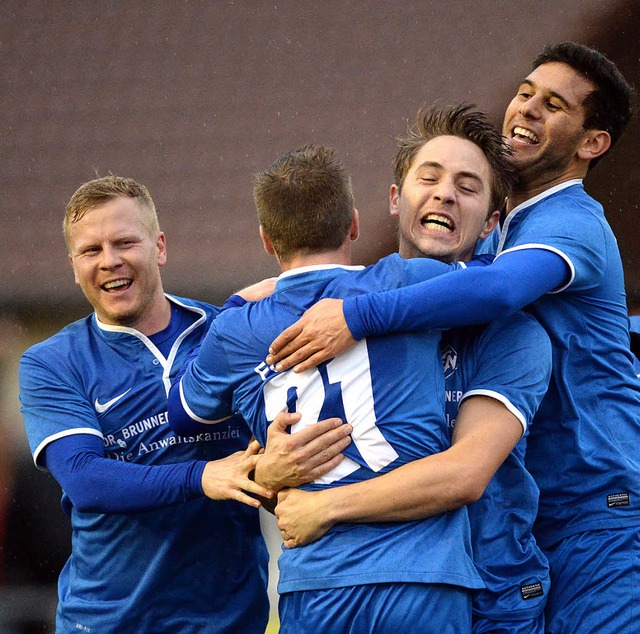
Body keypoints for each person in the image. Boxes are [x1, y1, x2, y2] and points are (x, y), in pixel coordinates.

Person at [266, 42, 640, 633]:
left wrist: (354, 317)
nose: (526, 110)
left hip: (600, 512)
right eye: (524, 93)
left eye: (554, 104)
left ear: (592, 143)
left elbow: (492, 294)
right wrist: (276, 292)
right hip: (531, 521)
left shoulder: (570, 223)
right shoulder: (501, 235)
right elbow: (433, 279)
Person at [168, 145, 491, 633]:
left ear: (266, 242)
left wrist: (236, 305)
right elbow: (501, 284)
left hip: (318, 584)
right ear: (354, 225)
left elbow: (183, 414)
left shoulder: (234, 331)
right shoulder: (409, 280)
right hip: (419, 576)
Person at [18, 175, 352, 633]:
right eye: (90, 251)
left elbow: (280, 459)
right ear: (73, 266)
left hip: (231, 621)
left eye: (124, 243)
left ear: (159, 247)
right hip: (107, 622)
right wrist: (204, 476)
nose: (109, 261)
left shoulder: (228, 334)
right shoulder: (51, 362)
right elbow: (86, 479)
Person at [274, 104, 552, 633]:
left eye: (468, 187)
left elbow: (465, 474)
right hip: (349, 593)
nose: (446, 193)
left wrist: (327, 508)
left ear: (493, 223)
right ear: (396, 199)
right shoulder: (331, 320)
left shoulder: (514, 335)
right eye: (430, 177)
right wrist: (269, 468)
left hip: (493, 599)